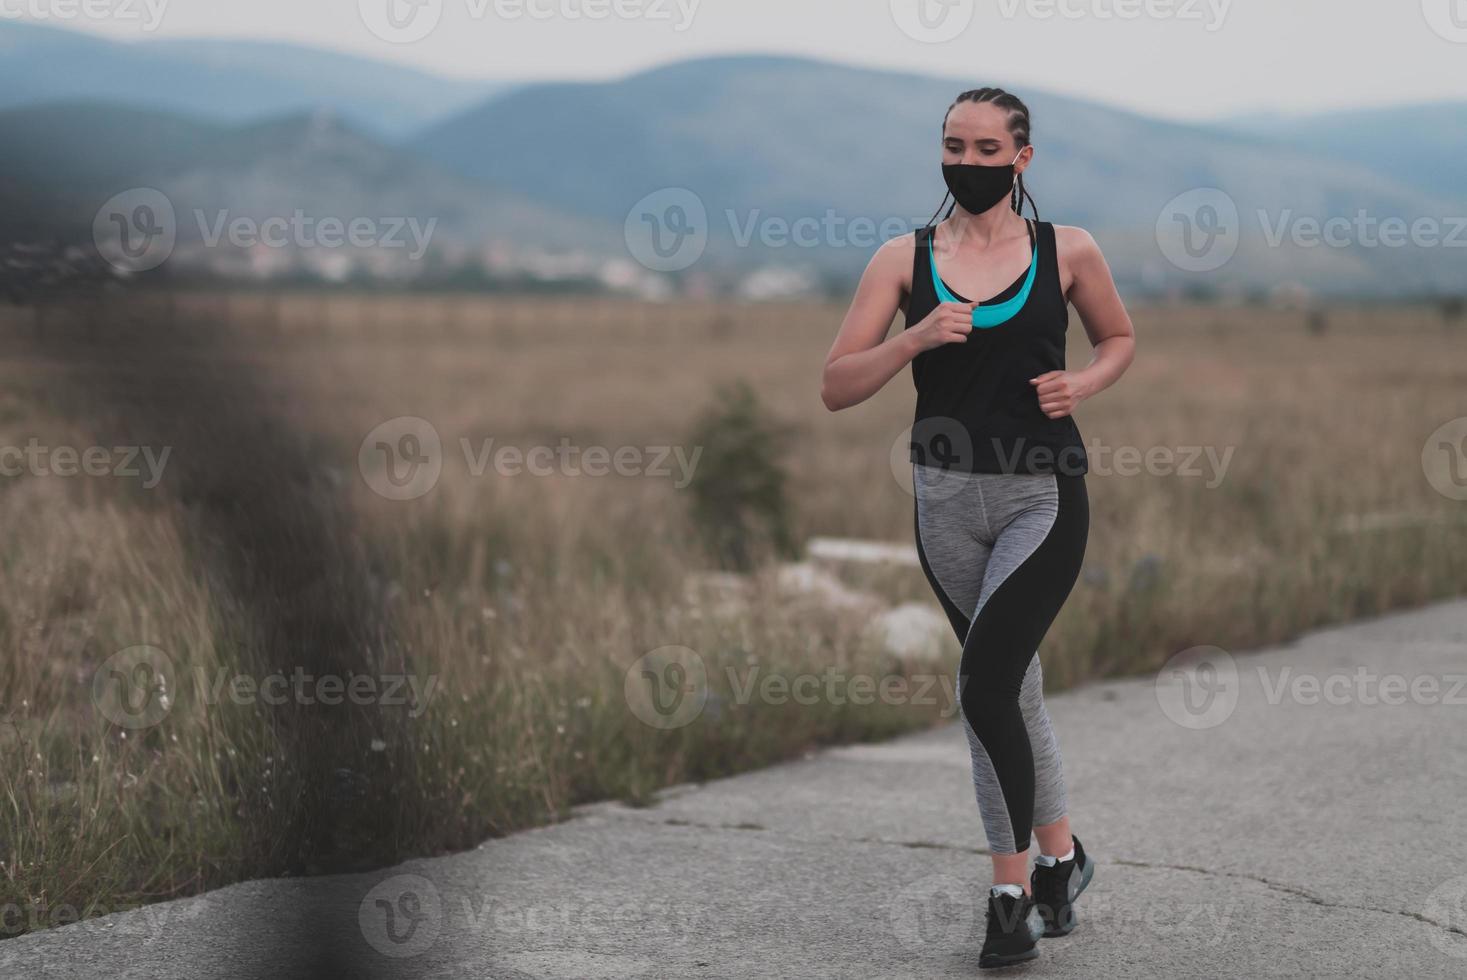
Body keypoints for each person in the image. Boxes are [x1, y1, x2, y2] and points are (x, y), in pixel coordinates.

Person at [820, 86, 1136, 969]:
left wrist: (1084, 385)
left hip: (1042, 497)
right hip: (944, 501)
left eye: (987, 150)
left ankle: (1008, 898)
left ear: (1021, 159)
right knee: (1009, 689)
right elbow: (836, 383)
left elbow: (1117, 340)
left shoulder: (1066, 250)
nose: (967, 163)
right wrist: (912, 340)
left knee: (985, 686)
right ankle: (1061, 862)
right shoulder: (902, 257)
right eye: (953, 146)